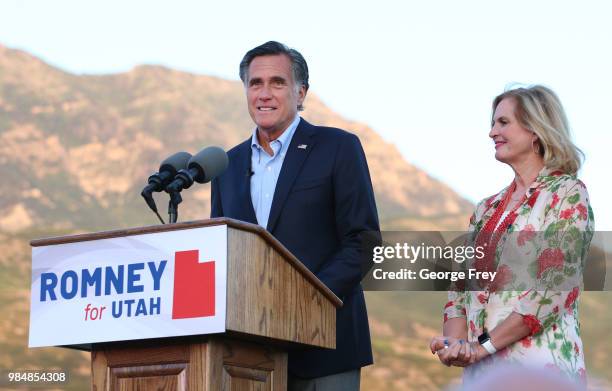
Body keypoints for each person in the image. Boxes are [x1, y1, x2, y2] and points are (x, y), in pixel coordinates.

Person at [211, 41, 379, 391]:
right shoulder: (226, 166)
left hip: (326, 347)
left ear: (300, 93)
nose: (264, 93)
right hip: (250, 358)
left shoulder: (337, 148)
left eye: (277, 82)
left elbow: (363, 242)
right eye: (255, 84)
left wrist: (306, 300)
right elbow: (221, 251)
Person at [429, 85, 594, 386]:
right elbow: (458, 291)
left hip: (542, 372)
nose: (492, 132)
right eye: (493, 123)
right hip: (484, 377)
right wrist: (454, 346)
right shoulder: (485, 209)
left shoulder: (567, 194)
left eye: (503, 122)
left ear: (535, 129)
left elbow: (553, 290)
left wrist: (484, 347)